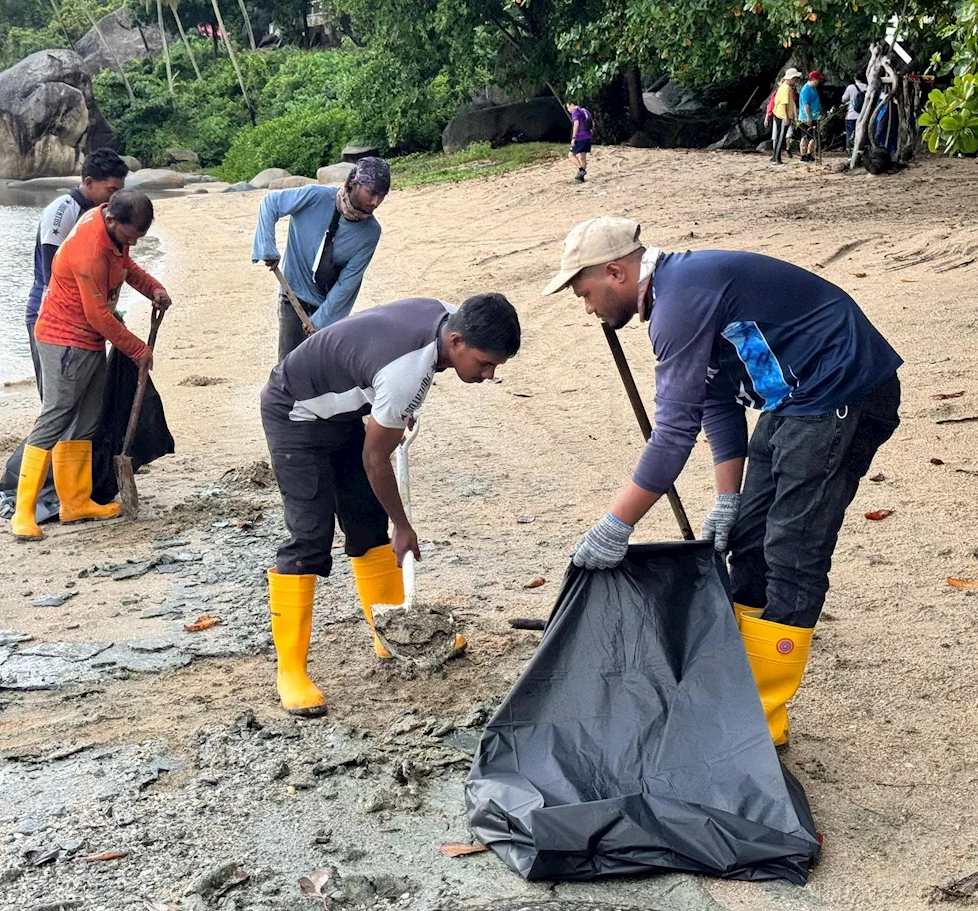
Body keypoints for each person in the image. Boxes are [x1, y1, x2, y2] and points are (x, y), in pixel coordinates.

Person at [544, 216, 902, 746]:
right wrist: (727, 499)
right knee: (747, 535)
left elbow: (671, 437)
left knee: (792, 550)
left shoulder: (680, 299)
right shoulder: (672, 297)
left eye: (585, 291)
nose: (587, 306)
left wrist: (613, 526)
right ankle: (735, 676)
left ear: (616, 272)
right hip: (796, 398)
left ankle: (761, 720)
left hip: (843, 389)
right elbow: (716, 397)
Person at [260, 294, 522, 716]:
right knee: (310, 537)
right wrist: (403, 525)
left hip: (341, 413)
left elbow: (372, 369)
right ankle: (290, 671)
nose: (489, 374)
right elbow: (374, 458)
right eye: (485, 363)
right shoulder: (406, 372)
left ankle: (390, 633)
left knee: (365, 525)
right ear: (456, 341)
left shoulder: (445, 314)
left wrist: (391, 412)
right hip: (295, 413)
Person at [11, 190, 172, 540]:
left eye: (137, 239)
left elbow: (126, 266)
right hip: (62, 340)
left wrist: (153, 288)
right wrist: (137, 350)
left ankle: (76, 502)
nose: (131, 243)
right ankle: (23, 512)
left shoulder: (113, 231)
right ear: (112, 220)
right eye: (130, 237)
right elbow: (98, 315)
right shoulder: (89, 247)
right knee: (56, 415)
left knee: (86, 417)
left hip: (89, 340)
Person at [251, 157, 390, 361]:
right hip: (293, 295)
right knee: (288, 367)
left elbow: (348, 282)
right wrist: (267, 248)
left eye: (382, 195)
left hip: (329, 306)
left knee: (321, 370)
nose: (375, 202)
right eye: (371, 192)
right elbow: (269, 204)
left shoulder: (370, 233)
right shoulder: (315, 196)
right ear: (354, 183)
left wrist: (320, 321)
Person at [24, 149, 130, 397]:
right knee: (58, 401)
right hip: (52, 317)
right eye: (111, 191)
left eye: (119, 192)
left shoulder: (104, 216)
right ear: (90, 183)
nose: (115, 199)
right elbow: (53, 276)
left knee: (86, 400)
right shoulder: (62, 212)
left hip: (87, 317)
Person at [770, 69, 802, 165]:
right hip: (782, 115)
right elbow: (784, 104)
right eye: (795, 78)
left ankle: (775, 158)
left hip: (781, 114)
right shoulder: (786, 88)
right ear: (791, 78)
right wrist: (786, 117)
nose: (796, 80)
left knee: (781, 136)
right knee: (781, 137)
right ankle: (777, 159)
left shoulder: (785, 87)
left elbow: (790, 103)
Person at [797, 71, 825, 161]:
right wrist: (809, 117)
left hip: (815, 116)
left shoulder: (813, 88)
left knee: (813, 137)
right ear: (813, 79)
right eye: (818, 80)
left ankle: (809, 154)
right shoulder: (806, 89)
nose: (818, 82)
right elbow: (806, 104)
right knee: (805, 136)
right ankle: (803, 155)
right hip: (806, 117)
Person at [567, 102, 593, 183]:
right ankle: (581, 178)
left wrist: (574, 137)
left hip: (580, 137)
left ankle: (581, 170)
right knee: (583, 157)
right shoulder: (585, 111)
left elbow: (576, 124)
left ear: (572, 105)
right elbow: (593, 123)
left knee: (571, 155)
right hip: (588, 136)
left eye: (568, 108)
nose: (568, 110)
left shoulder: (576, 112)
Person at [842, 76, 868, 151]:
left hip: (851, 115)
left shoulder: (851, 87)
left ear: (854, 78)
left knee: (850, 134)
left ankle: (850, 151)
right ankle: (861, 151)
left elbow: (844, 99)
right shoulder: (868, 87)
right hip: (863, 115)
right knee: (862, 134)